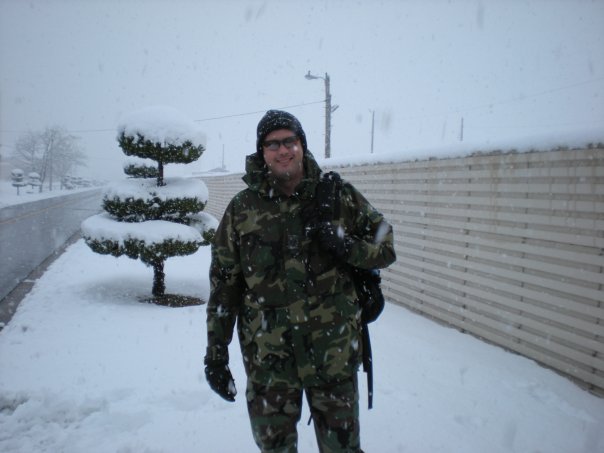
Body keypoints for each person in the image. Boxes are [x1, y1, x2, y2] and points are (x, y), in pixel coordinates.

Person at [204, 110, 396, 452]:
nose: (283, 151)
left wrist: (343, 244)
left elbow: (386, 247)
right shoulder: (242, 210)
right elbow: (224, 287)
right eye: (272, 143)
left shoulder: (338, 197)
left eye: (289, 141)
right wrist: (216, 355)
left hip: (332, 356)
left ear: (302, 145)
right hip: (269, 363)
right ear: (261, 151)